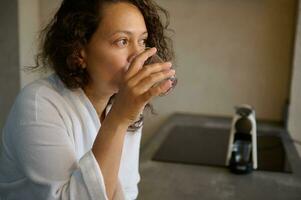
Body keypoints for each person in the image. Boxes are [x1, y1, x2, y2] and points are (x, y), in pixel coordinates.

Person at [0, 0, 175, 199]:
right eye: (122, 41)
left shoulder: (123, 103)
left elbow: (126, 189)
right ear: (79, 51)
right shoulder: (38, 104)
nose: (138, 56)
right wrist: (119, 119)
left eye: (142, 41)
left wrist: (121, 115)